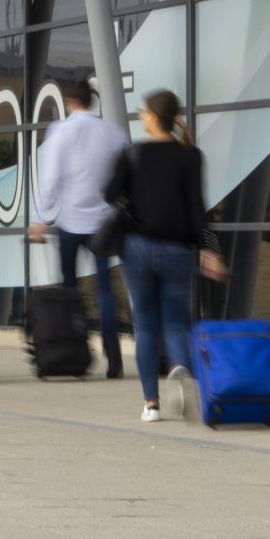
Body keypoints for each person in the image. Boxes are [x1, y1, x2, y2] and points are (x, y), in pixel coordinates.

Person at [105, 89, 226, 423]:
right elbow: (197, 211)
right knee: (176, 323)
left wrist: (133, 198)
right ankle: (180, 366)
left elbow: (107, 193)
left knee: (145, 325)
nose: (140, 115)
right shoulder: (191, 155)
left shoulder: (133, 154)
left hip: (138, 249)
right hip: (178, 252)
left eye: (142, 111)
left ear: (152, 117)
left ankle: (151, 405)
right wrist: (211, 251)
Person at [30, 77, 131, 379]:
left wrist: (40, 219)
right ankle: (114, 360)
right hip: (104, 223)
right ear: (92, 100)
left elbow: (50, 179)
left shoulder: (60, 132)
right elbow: (126, 175)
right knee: (105, 291)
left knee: (69, 292)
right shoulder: (114, 133)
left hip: (71, 222)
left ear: (69, 101)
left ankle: (74, 353)